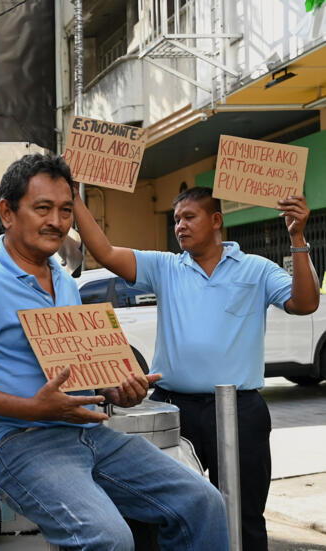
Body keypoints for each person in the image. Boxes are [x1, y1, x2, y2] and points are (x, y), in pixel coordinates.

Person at [0, 153, 228, 550]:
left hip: (87, 433)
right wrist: (32, 409)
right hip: (17, 442)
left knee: (204, 502)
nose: (57, 221)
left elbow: (80, 371)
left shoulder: (63, 280)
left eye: (66, 210)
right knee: (109, 538)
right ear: (7, 212)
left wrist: (118, 391)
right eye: (43, 208)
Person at [73, 184, 319, 550]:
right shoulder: (165, 266)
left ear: (216, 220)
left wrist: (297, 237)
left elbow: (305, 303)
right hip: (174, 408)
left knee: (245, 515)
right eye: (176, 220)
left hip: (240, 411)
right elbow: (105, 252)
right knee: (166, 509)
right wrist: (74, 197)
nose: (180, 227)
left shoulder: (255, 269)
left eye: (189, 217)